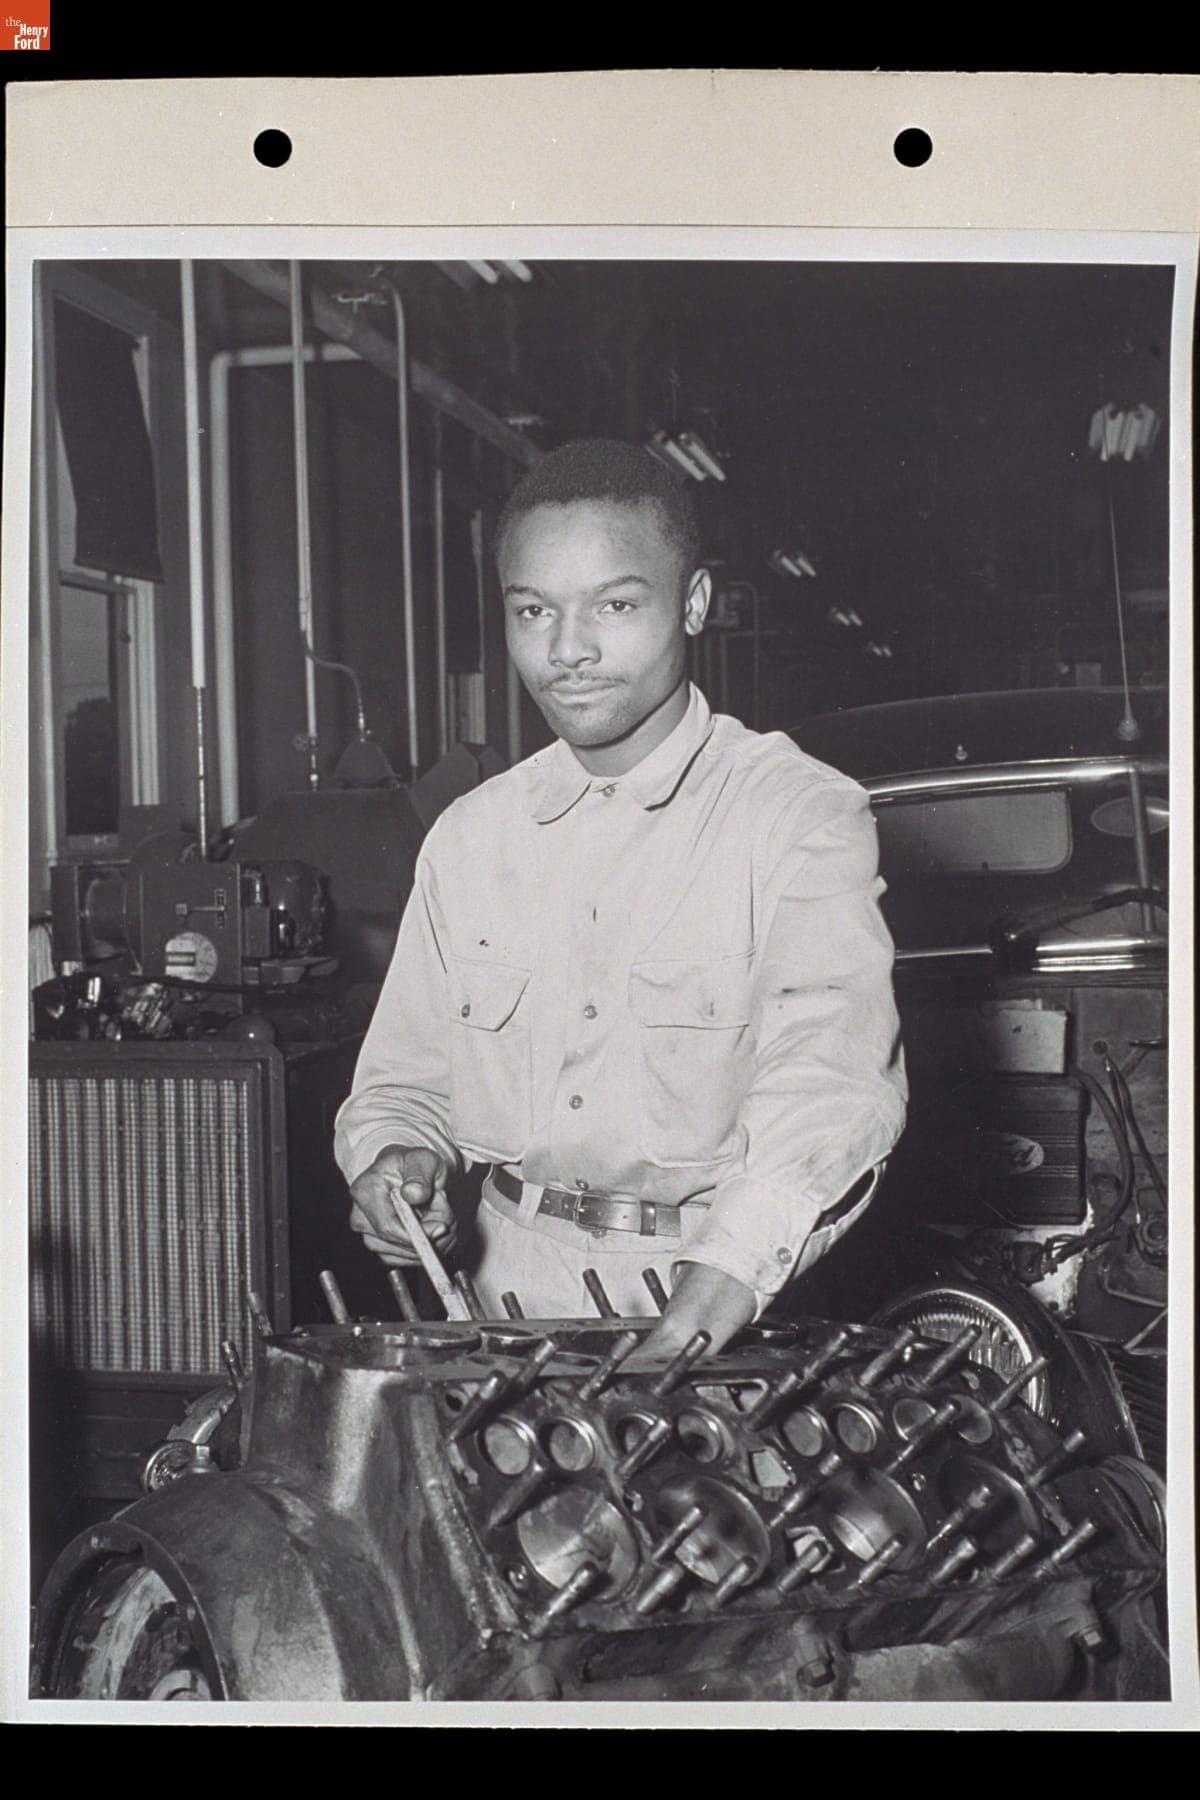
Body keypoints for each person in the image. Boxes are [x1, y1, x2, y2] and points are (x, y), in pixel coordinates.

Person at [334, 439, 906, 1356]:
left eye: (616, 604)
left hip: (723, 1303)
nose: (569, 651)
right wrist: (396, 1162)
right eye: (534, 611)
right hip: (499, 1312)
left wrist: (710, 1300)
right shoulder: (471, 839)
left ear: (693, 604)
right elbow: (404, 1082)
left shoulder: (797, 816)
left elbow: (831, 1085)